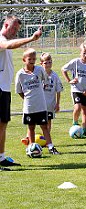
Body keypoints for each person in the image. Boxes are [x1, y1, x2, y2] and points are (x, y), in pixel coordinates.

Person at [0, 15, 42, 171]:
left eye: (18, 30)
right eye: (14, 29)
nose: (16, 33)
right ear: (5, 25)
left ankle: (1, 158)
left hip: (4, 88)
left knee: (3, 124)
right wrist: (31, 38)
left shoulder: (7, 41)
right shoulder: (1, 39)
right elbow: (9, 45)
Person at [15, 48, 60, 155]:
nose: (32, 60)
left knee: (44, 126)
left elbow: (45, 80)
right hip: (29, 106)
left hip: (41, 105)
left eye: (34, 58)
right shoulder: (20, 74)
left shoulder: (39, 70)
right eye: (30, 59)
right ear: (24, 59)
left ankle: (51, 147)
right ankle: (31, 147)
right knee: (31, 127)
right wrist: (27, 98)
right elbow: (19, 91)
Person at [61, 42, 86, 136]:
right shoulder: (75, 62)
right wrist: (69, 80)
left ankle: (84, 131)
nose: (85, 55)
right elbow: (63, 69)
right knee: (77, 107)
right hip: (76, 89)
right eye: (84, 53)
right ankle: (75, 123)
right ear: (80, 52)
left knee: (85, 110)